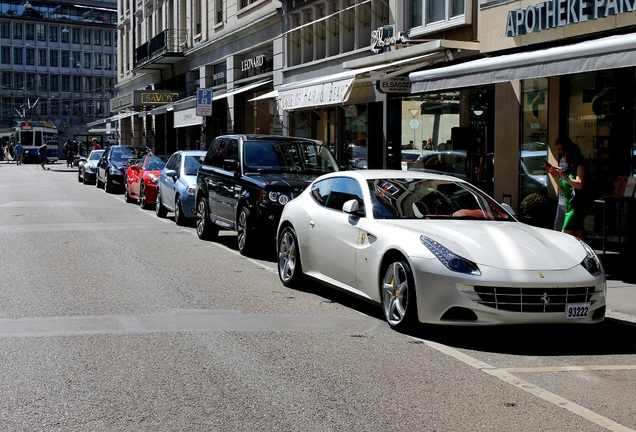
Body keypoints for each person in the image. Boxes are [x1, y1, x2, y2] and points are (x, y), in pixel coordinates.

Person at [547, 140, 587, 239]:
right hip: (569, 207)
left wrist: (565, 177)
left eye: (564, 154)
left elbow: (579, 184)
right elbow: (564, 190)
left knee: (564, 236)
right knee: (578, 236)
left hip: (575, 208)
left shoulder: (580, 167)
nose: (562, 157)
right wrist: (555, 177)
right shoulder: (568, 170)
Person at [548, 137, 570, 231]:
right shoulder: (562, 160)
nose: (560, 152)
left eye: (561, 149)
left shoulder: (573, 162)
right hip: (561, 198)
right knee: (558, 228)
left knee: (568, 228)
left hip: (569, 199)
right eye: (558, 150)